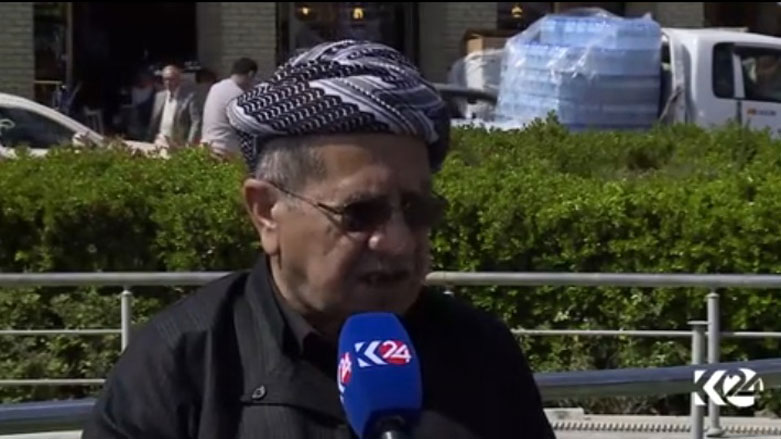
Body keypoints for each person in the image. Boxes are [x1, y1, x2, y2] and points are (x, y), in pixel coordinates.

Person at [82, 40, 555, 439]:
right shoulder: (178, 366)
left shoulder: (482, 355)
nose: (396, 243)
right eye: (359, 214)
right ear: (266, 212)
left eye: (416, 211)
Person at [201, 58, 258, 159]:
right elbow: (250, 126)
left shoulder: (216, 87)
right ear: (250, 74)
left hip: (207, 146)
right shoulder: (239, 95)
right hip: (225, 151)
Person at [147, 64, 203, 148]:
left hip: (179, 143)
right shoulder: (159, 96)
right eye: (165, 79)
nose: (168, 82)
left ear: (179, 79)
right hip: (160, 140)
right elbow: (154, 120)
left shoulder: (189, 97)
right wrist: (149, 138)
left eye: (171, 79)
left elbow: (196, 122)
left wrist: (190, 143)